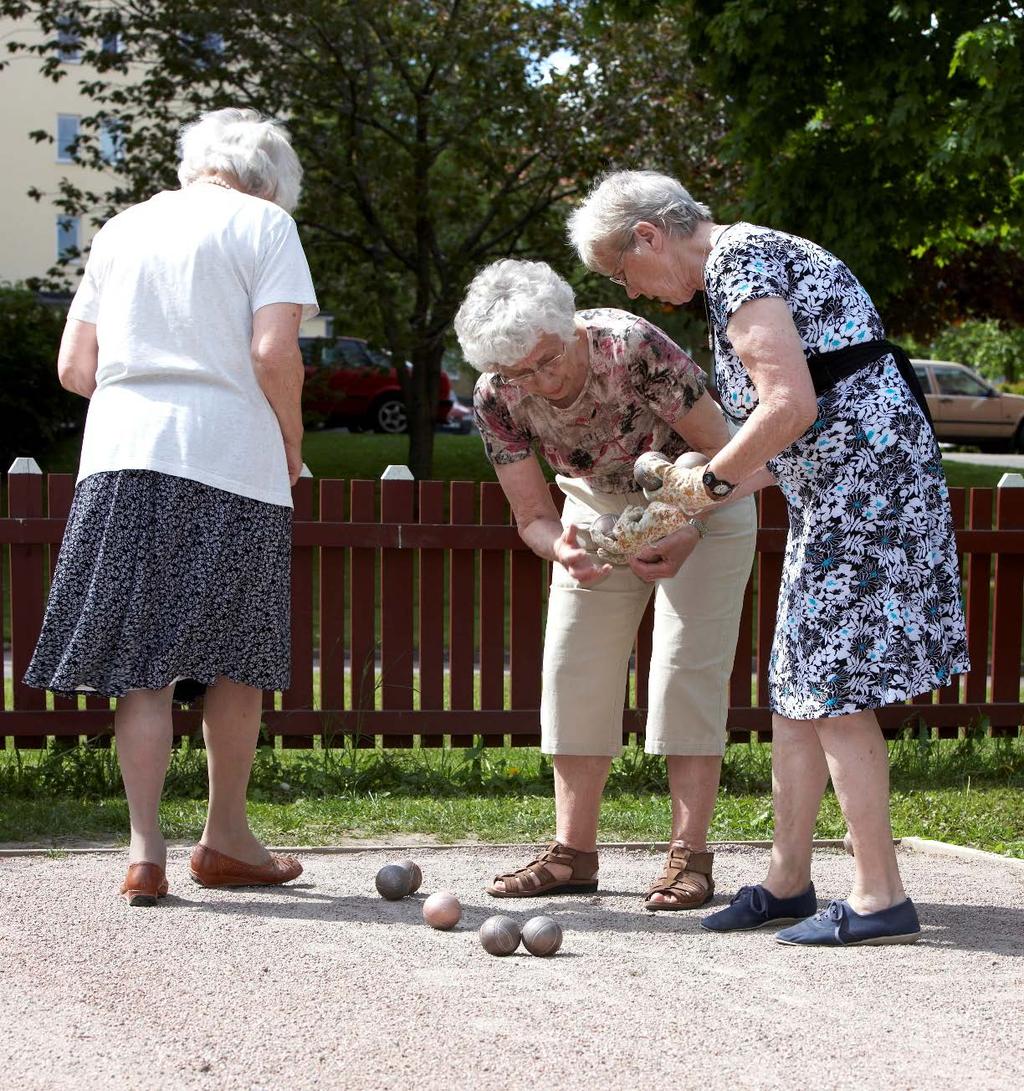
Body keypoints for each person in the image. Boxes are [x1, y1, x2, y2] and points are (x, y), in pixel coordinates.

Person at [568, 170, 969, 946]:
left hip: (865, 491)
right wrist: (689, 497)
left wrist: (701, 483)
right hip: (840, 487)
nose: (637, 292)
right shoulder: (740, 269)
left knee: (836, 688)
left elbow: (790, 405)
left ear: (649, 235)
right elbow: (781, 440)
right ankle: (788, 879)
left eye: (625, 272)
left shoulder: (739, 263)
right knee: (798, 681)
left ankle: (881, 894)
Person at [24, 108, 319, 905]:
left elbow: (75, 367)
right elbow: (272, 351)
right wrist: (289, 440)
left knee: (142, 665)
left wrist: (145, 377)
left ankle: (144, 849)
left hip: (120, 458)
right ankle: (225, 836)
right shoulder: (263, 226)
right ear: (271, 181)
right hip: (231, 458)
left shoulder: (120, 229)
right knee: (238, 657)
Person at [454, 258, 756, 909]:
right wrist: (560, 548)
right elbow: (533, 516)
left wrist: (684, 527)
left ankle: (688, 856)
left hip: (702, 488)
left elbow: (722, 450)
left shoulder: (631, 347)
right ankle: (573, 852)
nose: (539, 382)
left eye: (546, 360)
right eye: (517, 373)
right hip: (598, 505)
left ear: (569, 327)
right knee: (573, 666)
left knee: (683, 669)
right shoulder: (496, 396)